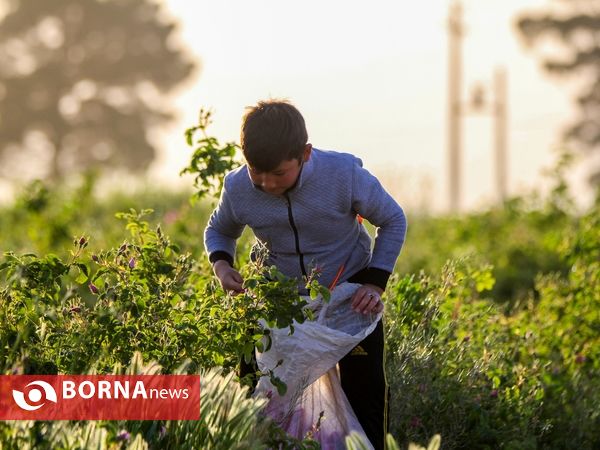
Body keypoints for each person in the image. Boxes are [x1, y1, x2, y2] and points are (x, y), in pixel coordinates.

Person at [204, 99, 407, 449]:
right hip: (275, 299)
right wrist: (223, 266)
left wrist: (374, 284)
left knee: (365, 392)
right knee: (253, 390)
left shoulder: (344, 176)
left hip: (349, 295)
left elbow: (392, 219)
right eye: (257, 172)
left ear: (306, 153)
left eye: (279, 173)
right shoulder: (238, 188)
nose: (267, 183)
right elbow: (219, 230)